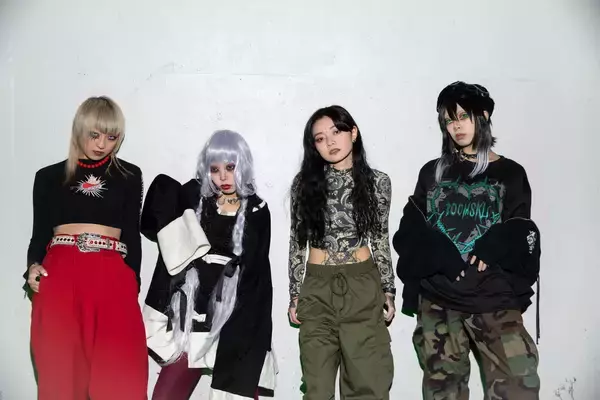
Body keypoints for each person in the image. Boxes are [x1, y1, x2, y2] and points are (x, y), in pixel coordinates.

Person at [393, 81, 541, 400]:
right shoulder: (433, 172)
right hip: (439, 301)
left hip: (493, 299)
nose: (456, 126)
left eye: (464, 116)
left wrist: (497, 242)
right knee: (443, 393)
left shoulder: (511, 173)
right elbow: (409, 230)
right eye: (449, 120)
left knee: (519, 387)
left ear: (483, 116)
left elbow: (522, 232)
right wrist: (439, 253)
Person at [25, 96, 148, 400]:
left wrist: (132, 279)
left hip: (111, 274)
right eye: (94, 134)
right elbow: (39, 234)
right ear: (79, 129)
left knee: (119, 377)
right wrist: (32, 266)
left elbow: (132, 235)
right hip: (60, 275)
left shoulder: (129, 176)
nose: (102, 144)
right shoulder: (48, 177)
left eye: (111, 137)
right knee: (61, 376)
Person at [141, 130, 277, 400]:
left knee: (238, 389)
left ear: (243, 166)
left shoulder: (257, 209)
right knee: (166, 395)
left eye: (230, 168)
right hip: (194, 313)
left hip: (235, 316)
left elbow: (258, 275)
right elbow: (156, 209)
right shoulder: (194, 197)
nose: (223, 177)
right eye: (215, 170)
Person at [287, 105, 395, 399]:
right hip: (317, 288)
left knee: (368, 384)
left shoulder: (377, 182)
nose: (330, 142)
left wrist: (388, 290)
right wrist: (295, 294)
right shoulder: (304, 184)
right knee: (317, 388)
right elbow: (297, 242)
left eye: (336, 132)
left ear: (353, 133)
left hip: (362, 286)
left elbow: (380, 238)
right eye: (320, 138)